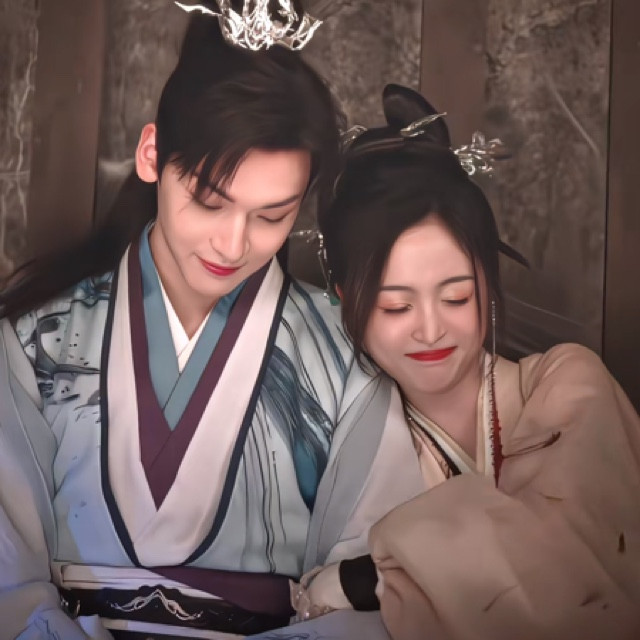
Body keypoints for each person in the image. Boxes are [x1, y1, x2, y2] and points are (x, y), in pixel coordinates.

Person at [0, 7, 424, 639]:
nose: (232, 244)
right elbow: (8, 576)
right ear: (151, 155)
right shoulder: (37, 335)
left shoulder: (342, 354)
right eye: (208, 200)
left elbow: (372, 584)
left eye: (271, 216)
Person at [295, 84, 640, 639]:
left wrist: (370, 578)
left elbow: (576, 559)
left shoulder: (568, 383)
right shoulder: (351, 433)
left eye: (456, 297)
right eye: (396, 306)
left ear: (488, 280)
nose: (431, 328)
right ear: (344, 298)